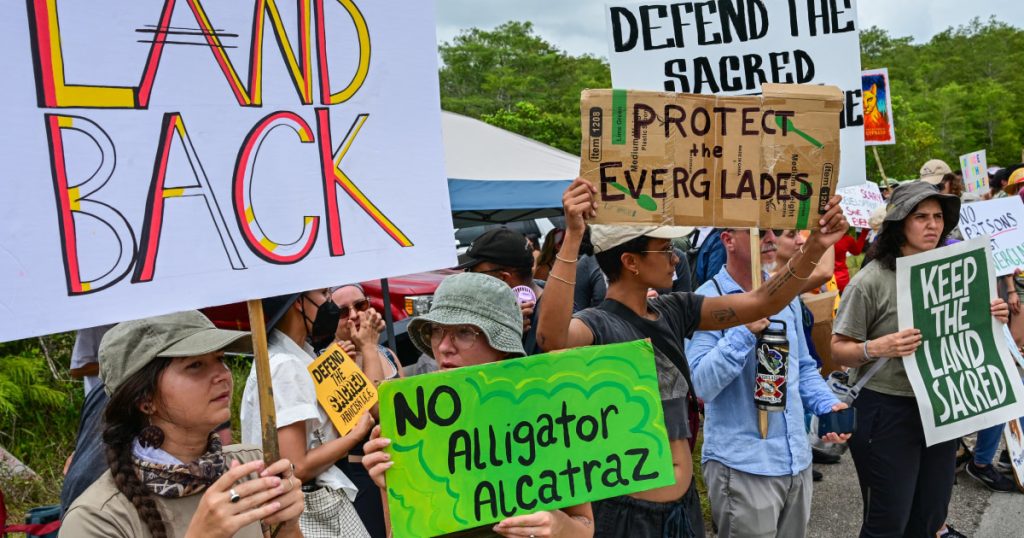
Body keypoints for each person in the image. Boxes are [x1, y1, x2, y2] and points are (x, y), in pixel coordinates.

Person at [536, 178, 849, 538]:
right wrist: (573, 236)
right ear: (630, 261)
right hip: (626, 517)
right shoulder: (597, 324)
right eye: (665, 249)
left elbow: (762, 301)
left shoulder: (674, 309)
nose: (676, 259)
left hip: (683, 512)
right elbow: (552, 338)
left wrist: (815, 247)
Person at [831, 181, 1010, 537]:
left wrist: (992, 314)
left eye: (939, 217)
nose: (933, 225)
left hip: (940, 407)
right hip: (885, 411)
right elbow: (838, 348)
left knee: (930, 516)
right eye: (921, 216)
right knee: (888, 521)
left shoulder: (954, 271)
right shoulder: (870, 280)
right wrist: (878, 348)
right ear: (899, 223)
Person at [361, 272, 595, 537]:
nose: (444, 347)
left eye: (464, 332)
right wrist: (389, 485)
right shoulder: (412, 420)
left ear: (502, 347)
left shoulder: (543, 414)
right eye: (437, 331)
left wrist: (557, 526)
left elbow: (584, 526)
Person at [61, 311, 303, 538]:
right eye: (195, 365)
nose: (222, 374)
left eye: (219, 358)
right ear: (144, 399)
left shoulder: (253, 467)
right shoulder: (97, 518)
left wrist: (288, 527)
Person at [686, 227, 849, 537]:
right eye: (760, 232)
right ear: (728, 240)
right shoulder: (706, 300)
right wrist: (743, 330)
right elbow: (701, 386)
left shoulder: (783, 294)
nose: (771, 239)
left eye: (775, 231)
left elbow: (802, 368)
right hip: (744, 465)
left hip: (795, 461)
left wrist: (829, 405)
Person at [241, 289, 375, 537]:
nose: (328, 302)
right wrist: (355, 436)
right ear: (299, 303)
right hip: (310, 513)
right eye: (323, 293)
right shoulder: (286, 366)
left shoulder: (297, 355)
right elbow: (295, 466)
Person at [330, 283, 403, 538]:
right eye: (342, 311)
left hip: (399, 465)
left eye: (360, 306)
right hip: (361, 474)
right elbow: (374, 412)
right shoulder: (329, 360)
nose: (353, 315)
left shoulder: (387, 354)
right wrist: (368, 348)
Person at [456, 227, 545, 354]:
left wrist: (506, 339)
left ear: (503, 278)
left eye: (475, 275)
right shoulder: (499, 313)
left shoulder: (550, 320)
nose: (470, 281)